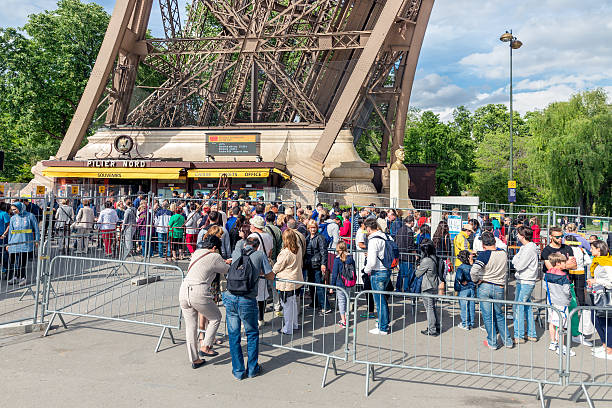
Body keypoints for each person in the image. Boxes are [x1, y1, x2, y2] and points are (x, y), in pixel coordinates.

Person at [179, 234, 230, 368]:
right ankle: (206, 345)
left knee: (190, 326)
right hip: (199, 291)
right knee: (216, 317)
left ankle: (194, 359)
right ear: (214, 247)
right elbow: (226, 269)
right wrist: (228, 262)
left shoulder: (196, 252)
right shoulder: (215, 256)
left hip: (184, 289)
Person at [226, 236, 271, 379]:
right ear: (257, 246)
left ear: (245, 244)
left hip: (231, 295)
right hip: (247, 298)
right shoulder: (259, 254)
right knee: (251, 334)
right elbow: (269, 275)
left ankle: (238, 371)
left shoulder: (237, 253)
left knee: (234, 335)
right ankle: (252, 369)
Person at [471, 231, 513, 349]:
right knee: (499, 314)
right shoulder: (503, 253)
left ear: (483, 244)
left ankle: (492, 342)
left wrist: (476, 280)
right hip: (499, 286)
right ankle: (508, 341)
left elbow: (473, 271)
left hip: (485, 285)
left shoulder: (484, 255)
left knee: (488, 316)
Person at [264, 229, 304, 335]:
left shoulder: (285, 252)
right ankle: (294, 325)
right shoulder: (298, 248)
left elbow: (277, 267)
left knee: (287, 305)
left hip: (287, 282)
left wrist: (269, 273)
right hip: (297, 279)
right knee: (293, 304)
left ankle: (288, 328)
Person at [544, 252, 575, 357]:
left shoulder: (547, 274)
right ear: (557, 263)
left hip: (551, 300)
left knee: (552, 321)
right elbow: (567, 291)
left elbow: (545, 287)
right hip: (562, 302)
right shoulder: (564, 276)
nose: (565, 264)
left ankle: (553, 342)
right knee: (561, 324)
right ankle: (561, 346)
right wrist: (570, 298)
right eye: (563, 262)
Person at [511, 226, 539, 343]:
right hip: (523, 280)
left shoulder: (529, 249)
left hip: (526, 281)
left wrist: (516, 261)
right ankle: (531, 333)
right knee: (526, 307)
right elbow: (515, 260)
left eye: (518, 234)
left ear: (522, 236)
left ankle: (519, 335)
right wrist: (516, 261)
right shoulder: (524, 247)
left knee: (518, 308)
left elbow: (518, 265)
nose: (517, 236)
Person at [363, 217, 391, 335]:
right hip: (386, 270)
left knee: (379, 301)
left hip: (378, 272)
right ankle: (383, 322)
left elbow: (372, 261)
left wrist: (366, 270)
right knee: (382, 299)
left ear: (369, 229)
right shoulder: (385, 236)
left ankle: (383, 327)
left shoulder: (373, 240)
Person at [247, 215, 275, 324]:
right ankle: (261, 318)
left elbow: (248, 252)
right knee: (262, 294)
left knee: (251, 294)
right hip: (264, 266)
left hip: (253, 267)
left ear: (254, 226)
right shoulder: (268, 236)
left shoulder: (252, 236)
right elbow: (270, 252)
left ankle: (252, 319)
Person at [588, 240, 612, 360]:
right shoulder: (597, 261)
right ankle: (605, 345)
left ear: (599, 249)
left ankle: (609, 349)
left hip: (605, 296)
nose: (590, 250)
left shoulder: (606, 263)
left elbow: (611, 282)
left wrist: (596, 281)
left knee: (605, 322)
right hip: (597, 294)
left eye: (592, 248)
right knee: (595, 319)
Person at [6, 202, 40, 286]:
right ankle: (15, 277)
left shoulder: (30, 216)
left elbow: (36, 229)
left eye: (15, 209)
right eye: (12, 210)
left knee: (22, 261)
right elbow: (11, 232)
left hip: (25, 242)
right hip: (14, 242)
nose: (14, 211)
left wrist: (36, 240)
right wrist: (9, 243)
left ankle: (23, 277)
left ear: (20, 208)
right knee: (13, 261)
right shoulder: (13, 218)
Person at [304, 219, 331, 313]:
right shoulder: (307, 237)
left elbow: (324, 252)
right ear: (308, 228)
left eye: (314, 227)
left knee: (319, 286)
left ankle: (325, 306)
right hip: (309, 264)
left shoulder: (320, 237)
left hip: (317, 264)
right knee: (311, 286)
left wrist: (323, 264)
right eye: (311, 228)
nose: (313, 229)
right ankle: (315, 303)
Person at [415, 240, 440, 336]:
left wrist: (418, 266)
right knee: (432, 307)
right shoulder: (435, 258)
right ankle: (436, 326)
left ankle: (432, 329)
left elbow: (417, 274)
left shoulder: (426, 260)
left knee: (429, 308)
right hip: (434, 284)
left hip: (428, 286)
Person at [330, 241, 354, 328]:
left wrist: (332, 286)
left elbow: (334, 273)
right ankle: (346, 318)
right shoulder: (351, 258)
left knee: (341, 301)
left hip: (340, 283)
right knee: (347, 300)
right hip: (349, 282)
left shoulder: (337, 260)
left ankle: (343, 320)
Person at [454, 250, 475, 330]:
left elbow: (459, 277)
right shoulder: (471, 267)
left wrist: (462, 281)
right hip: (471, 288)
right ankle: (471, 323)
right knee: (471, 306)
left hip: (463, 289)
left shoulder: (461, 267)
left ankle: (465, 324)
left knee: (464, 307)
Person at [395, 216, 416, 292]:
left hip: (400, 254)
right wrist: (415, 253)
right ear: (411, 222)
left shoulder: (400, 230)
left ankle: (398, 289)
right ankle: (406, 289)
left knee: (400, 273)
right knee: (407, 274)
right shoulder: (409, 231)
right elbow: (410, 245)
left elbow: (396, 241)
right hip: (407, 256)